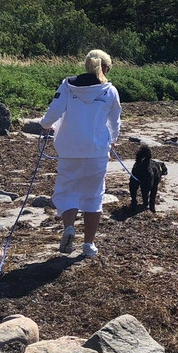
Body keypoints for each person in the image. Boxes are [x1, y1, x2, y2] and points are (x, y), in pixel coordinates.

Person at [40, 49, 121, 258]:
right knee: (94, 196)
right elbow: (114, 122)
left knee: (67, 192)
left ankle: (69, 228)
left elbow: (54, 110)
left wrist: (45, 124)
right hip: (97, 152)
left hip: (69, 150)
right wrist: (112, 141)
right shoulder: (110, 91)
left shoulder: (68, 85)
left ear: (87, 65)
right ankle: (88, 244)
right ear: (105, 67)